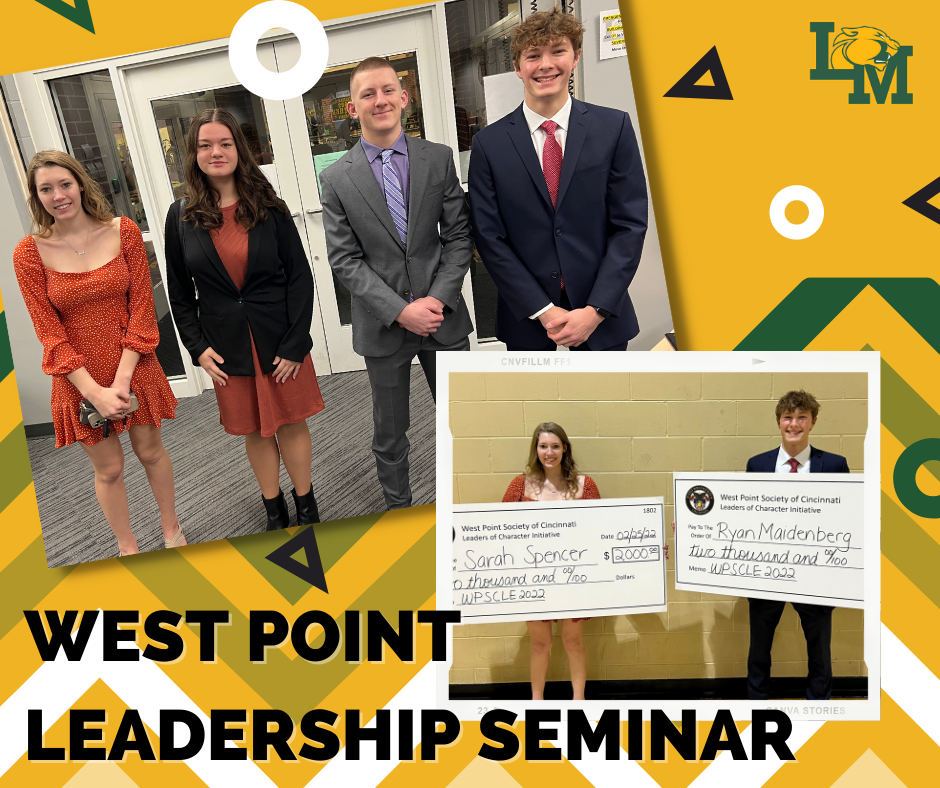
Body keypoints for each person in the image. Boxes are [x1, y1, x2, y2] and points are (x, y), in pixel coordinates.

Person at [320, 57, 473, 509]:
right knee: (389, 431)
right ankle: (398, 509)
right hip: (384, 327)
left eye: (388, 90)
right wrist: (401, 311)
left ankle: (471, 504)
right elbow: (345, 260)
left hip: (442, 319)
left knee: (464, 420)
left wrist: (436, 300)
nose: (380, 100)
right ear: (353, 108)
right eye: (367, 94)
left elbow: (459, 237)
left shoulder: (437, 159)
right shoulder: (336, 178)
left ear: (404, 98)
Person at [13, 150, 181, 556]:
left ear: (80, 184)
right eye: (46, 189)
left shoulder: (123, 231)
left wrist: (121, 381)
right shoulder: (28, 253)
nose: (58, 196)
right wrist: (95, 393)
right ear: (37, 197)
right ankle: (128, 547)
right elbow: (49, 333)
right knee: (109, 470)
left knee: (151, 452)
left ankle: (173, 531)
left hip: (133, 366)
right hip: (78, 380)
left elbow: (142, 309)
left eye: (64, 184)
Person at [164, 109, 324, 531]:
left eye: (225, 143)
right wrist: (197, 348)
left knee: (291, 423)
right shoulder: (180, 217)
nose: (215, 152)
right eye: (205, 145)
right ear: (193, 154)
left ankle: (306, 505)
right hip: (226, 346)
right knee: (254, 429)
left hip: (280, 339)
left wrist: (296, 342)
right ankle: (274, 511)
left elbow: (299, 276)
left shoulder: (269, 206)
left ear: (239, 149)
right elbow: (179, 292)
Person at [468, 8, 648, 351]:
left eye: (557, 51)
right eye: (533, 55)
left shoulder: (613, 128)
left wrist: (595, 311)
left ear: (575, 57)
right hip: (528, 319)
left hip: (602, 316)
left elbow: (630, 225)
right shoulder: (488, 145)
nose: (546, 64)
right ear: (517, 67)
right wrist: (543, 310)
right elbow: (489, 237)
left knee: (607, 390)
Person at [744, 390, 850, 700]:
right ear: (778, 421)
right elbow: (742, 513)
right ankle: (757, 702)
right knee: (759, 645)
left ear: (813, 422)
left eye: (802, 417)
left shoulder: (834, 465)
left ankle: (819, 703)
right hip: (767, 571)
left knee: (819, 647)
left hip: (816, 573)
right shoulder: (757, 465)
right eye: (788, 417)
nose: (794, 424)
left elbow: (848, 515)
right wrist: (698, 526)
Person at [502, 422, 599, 700]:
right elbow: (499, 531)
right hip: (534, 579)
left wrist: (646, 549)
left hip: (574, 578)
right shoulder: (520, 485)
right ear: (536, 449)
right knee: (539, 644)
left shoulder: (585, 485)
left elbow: (604, 532)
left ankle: (579, 700)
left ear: (565, 448)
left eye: (555, 446)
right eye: (543, 446)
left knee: (573, 641)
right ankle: (537, 702)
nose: (549, 452)